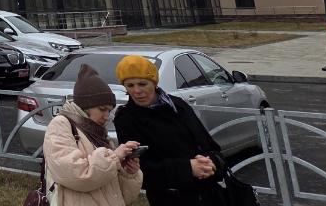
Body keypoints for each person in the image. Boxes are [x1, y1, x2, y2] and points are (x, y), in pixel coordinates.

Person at [113, 54, 226, 205]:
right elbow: (138, 170)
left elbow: (209, 145)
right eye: (130, 85)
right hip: (170, 199)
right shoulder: (126, 118)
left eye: (142, 84)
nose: (137, 91)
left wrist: (211, 163)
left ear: (154, 83)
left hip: (209, 194)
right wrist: (188, 168)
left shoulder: (178, 105)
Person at [43, 63, 144, 205]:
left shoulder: (100, 134)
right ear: (85, 106)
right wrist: (114, 157)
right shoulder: (60, 125)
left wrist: (127, 173)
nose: (106, 116)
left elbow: (120, 197)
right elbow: (76, 175)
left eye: (109, 111)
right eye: (102, 109)